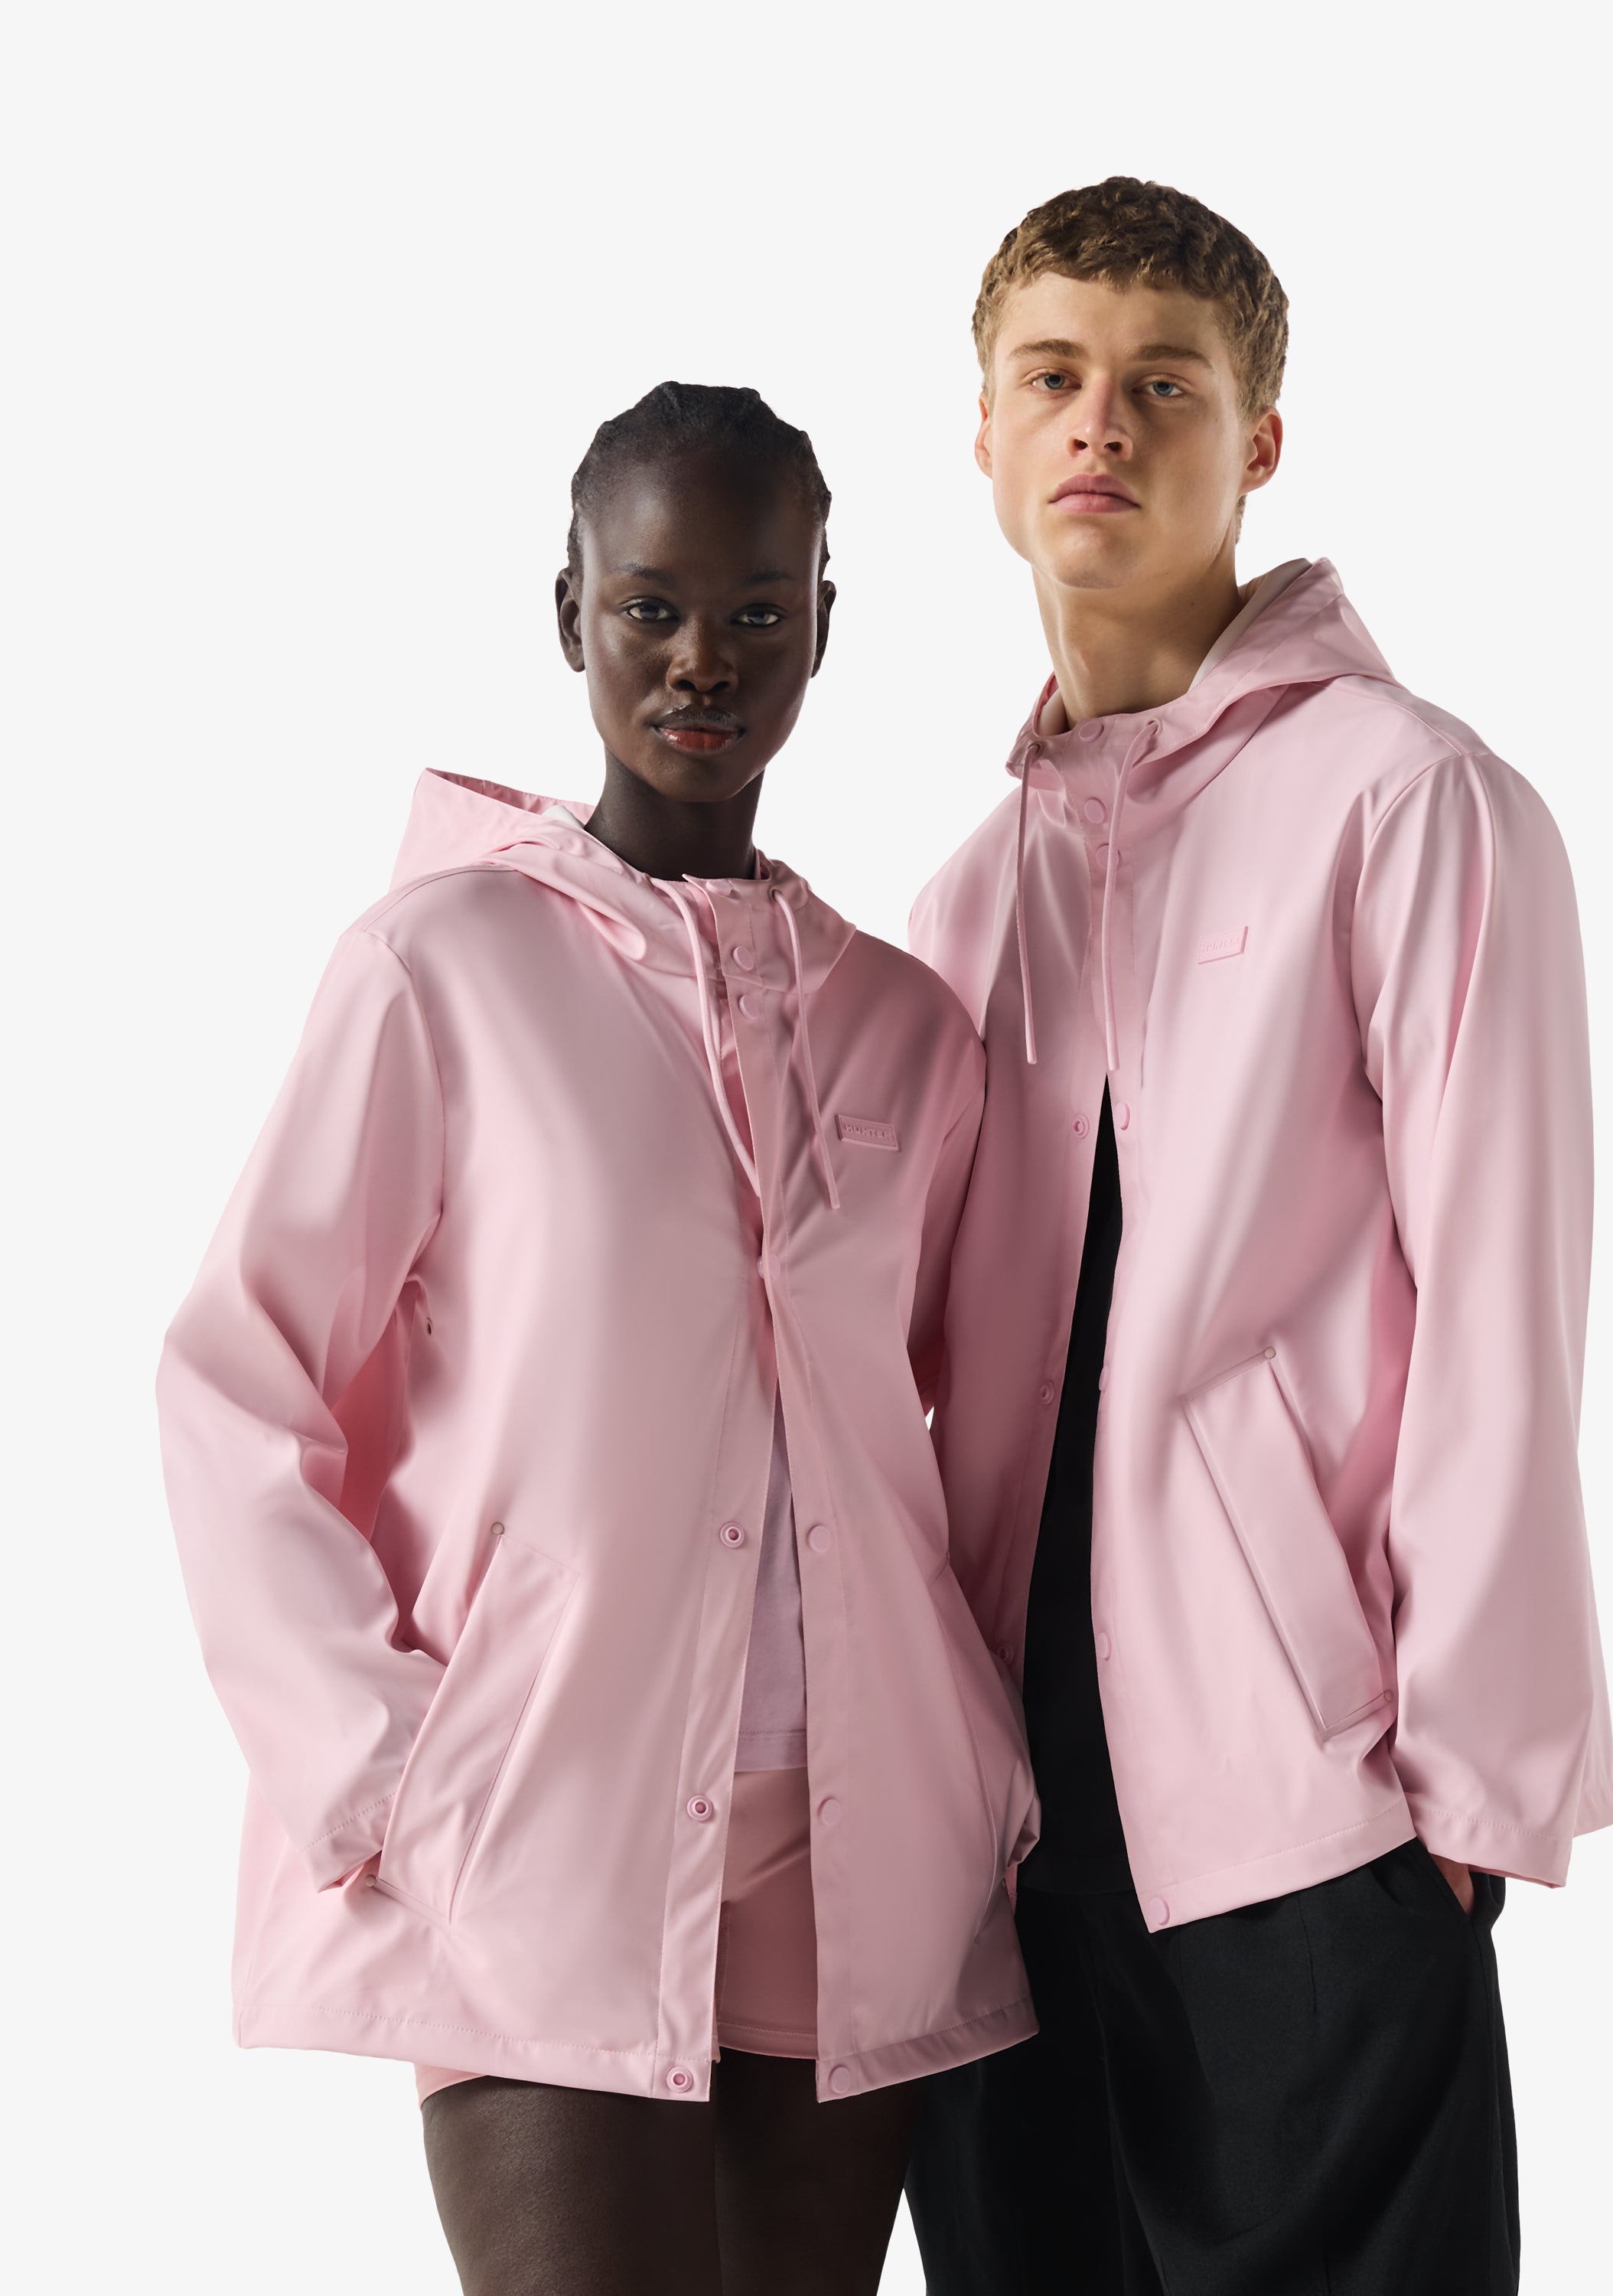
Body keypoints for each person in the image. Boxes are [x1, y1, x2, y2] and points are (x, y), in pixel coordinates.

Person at [156, 382, 1036, 2296]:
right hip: (544, 1818)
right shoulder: (440, 965)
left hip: (857, 1849)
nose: (703, 656)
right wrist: (385, 1770)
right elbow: (240, 1384)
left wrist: (991, 1771)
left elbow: (971, 1433)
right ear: (571, 615)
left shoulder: (907, 1029)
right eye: (651, 606)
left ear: (824, 623)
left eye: (757, 608)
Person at [902, 178, 1613, 2294]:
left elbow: (1504, 1305)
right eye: (1053, 376)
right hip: (1001, 1844)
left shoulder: (1412, 801)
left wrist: (1473, 1786)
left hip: (1316, 1814)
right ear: (984, 433)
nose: (1100, 422)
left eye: (1165, 384)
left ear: (1260, 442)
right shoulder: (969, 897)